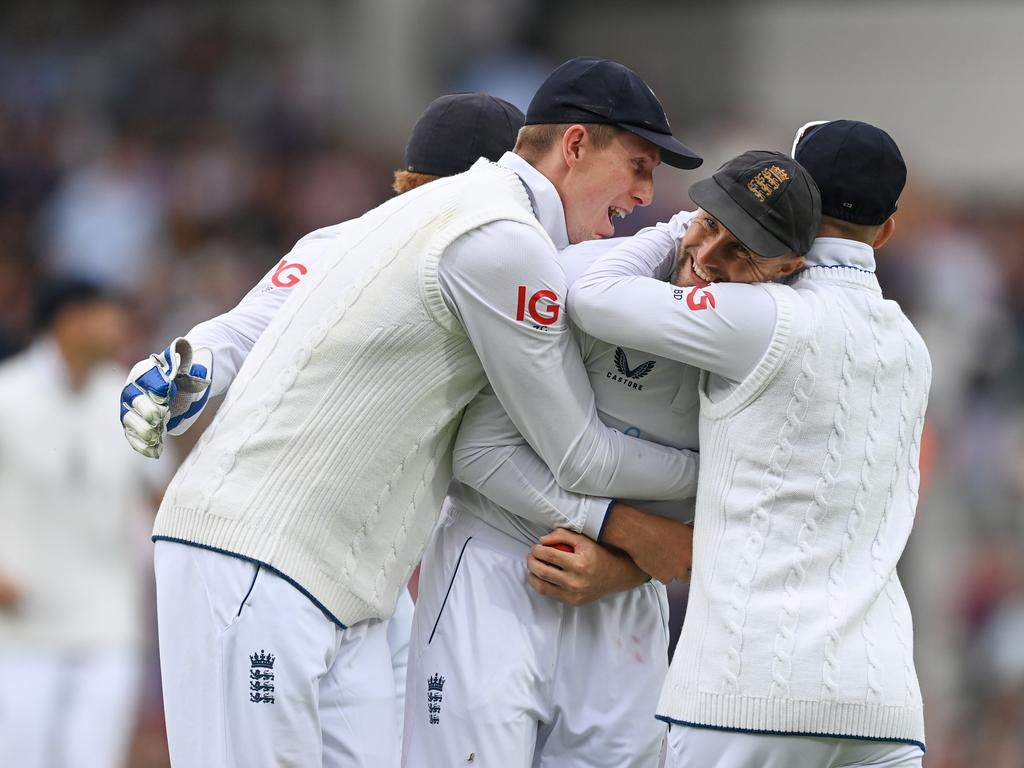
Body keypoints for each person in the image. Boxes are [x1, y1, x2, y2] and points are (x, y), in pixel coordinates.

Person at [121, 58, 703, 767]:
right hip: (257, 555)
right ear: (573, 146)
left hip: (358, 584)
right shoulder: (498, 238)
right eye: (637, 166)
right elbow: (577, 453)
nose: (645, 194)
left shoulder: (467, 231)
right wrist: (713, 487)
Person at [119, 91, 523, 757]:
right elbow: (241, 332)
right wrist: (184, 368)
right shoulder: (345, 244)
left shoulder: (513, 269)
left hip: (372, 585)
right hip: (263, 553)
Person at [403, 151, 821, 767]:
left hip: (624, 601)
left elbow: (762, 517)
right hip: (496, 564)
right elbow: (480, 453)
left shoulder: (784, 350)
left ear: (790, 268)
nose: (707, 260)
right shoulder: (581, 278)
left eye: (743, 253)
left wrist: (628, 566)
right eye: (708, 227)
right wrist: (621, 527)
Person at [571, 123, 929, 768]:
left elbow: (594, 295)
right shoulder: (910, 344)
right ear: (889, 231)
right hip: (883, 702)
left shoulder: (760, 316)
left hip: (747, 692)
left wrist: (684, 222)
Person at [0, 280, 162, 768]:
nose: (119, 326)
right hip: (21, 623)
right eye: (106, 313)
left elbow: (163, 498)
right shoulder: (7, 395)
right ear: (70, 321)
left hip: (109, 621)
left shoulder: (134, 400)